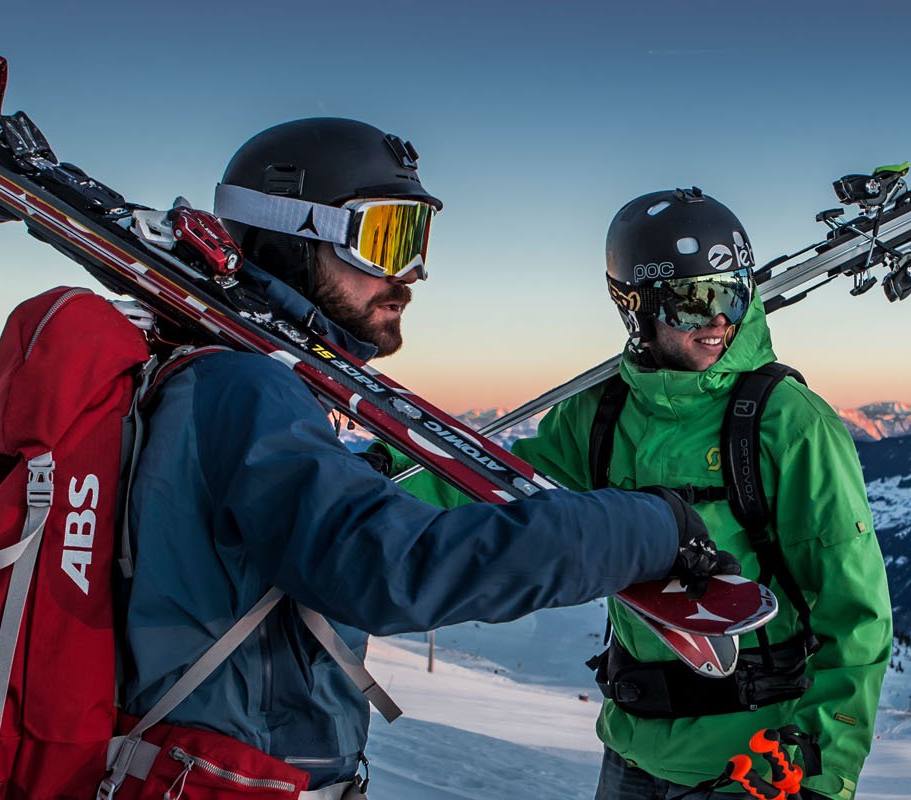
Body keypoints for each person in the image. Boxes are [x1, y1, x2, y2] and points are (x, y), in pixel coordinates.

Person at [117, 119, 736, 796]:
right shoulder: (246, 385)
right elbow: (382, 566)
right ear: (291, 237)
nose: (411, 276)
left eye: (415, 242)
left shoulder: (227, 377)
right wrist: (647, 530)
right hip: (214, 776)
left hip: (221, 767)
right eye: (385, 240)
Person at [406, 188, 892, 799]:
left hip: (752, 768)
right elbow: (494, 484)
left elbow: (856, 613)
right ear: (635, 306)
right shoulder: (600, 415)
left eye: (734, 292)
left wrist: (823, 770)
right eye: (694, 300)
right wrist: (381, 480)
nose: (720, 319)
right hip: (631, 753)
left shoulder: (790, 424)